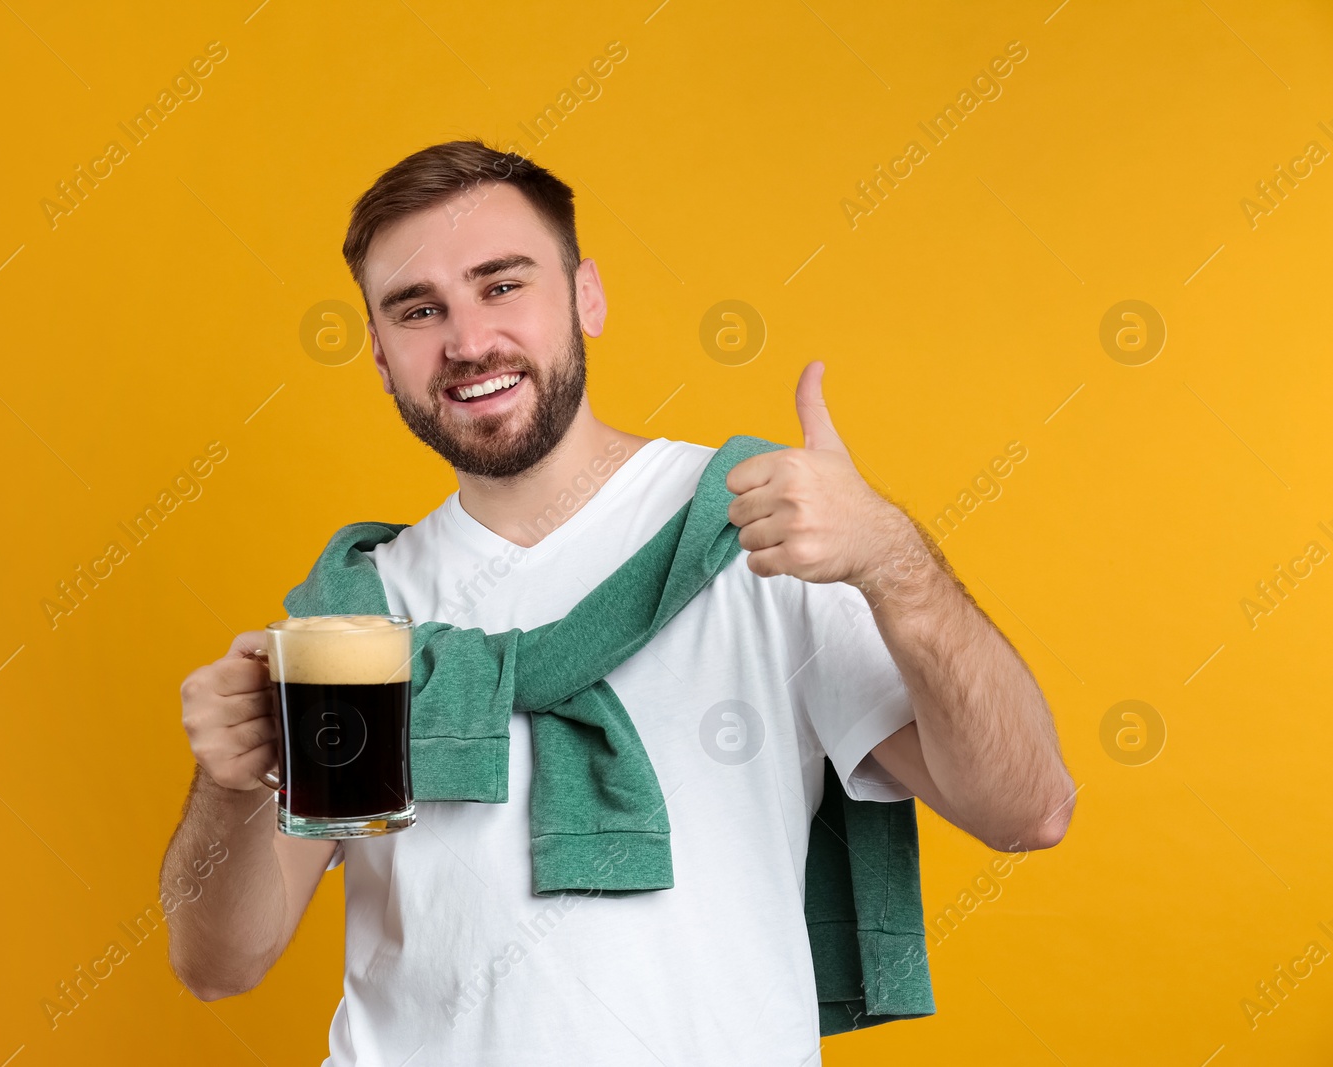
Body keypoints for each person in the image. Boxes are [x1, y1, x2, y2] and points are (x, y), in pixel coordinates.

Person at [161, 139, 1076, 1064]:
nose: (469, 340)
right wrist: (229, 782)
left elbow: (1026, 810)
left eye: (503, 284)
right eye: (419, 308)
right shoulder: (353, 614)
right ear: (381, 354)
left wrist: (894, 560)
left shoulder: (762, 529)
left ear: (586, 296)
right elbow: (218, 964)